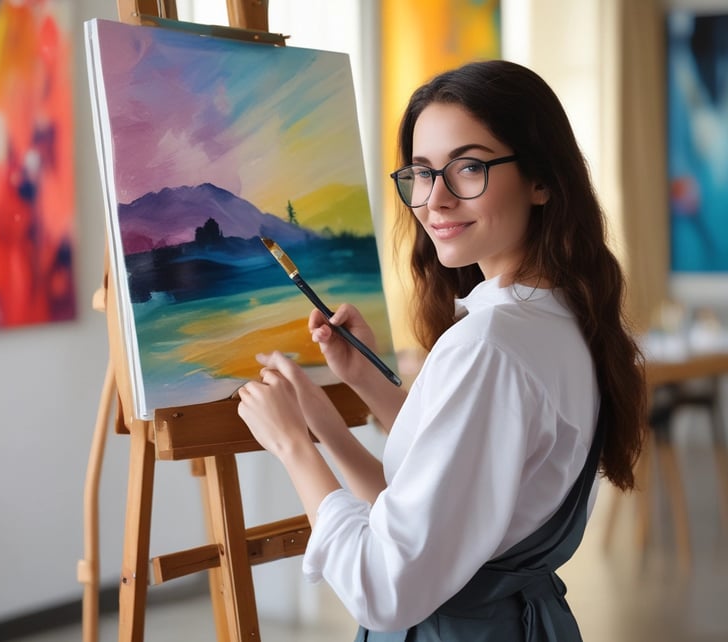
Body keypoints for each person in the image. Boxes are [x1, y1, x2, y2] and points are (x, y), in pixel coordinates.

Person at [236, 60, 647, 641]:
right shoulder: (561, 319)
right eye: (423, 173)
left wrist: (291, 449)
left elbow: (383, 587)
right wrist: (346, 403)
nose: (435, 199)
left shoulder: (491, 346)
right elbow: (437, 508)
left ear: (541, 179)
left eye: (469, 167)